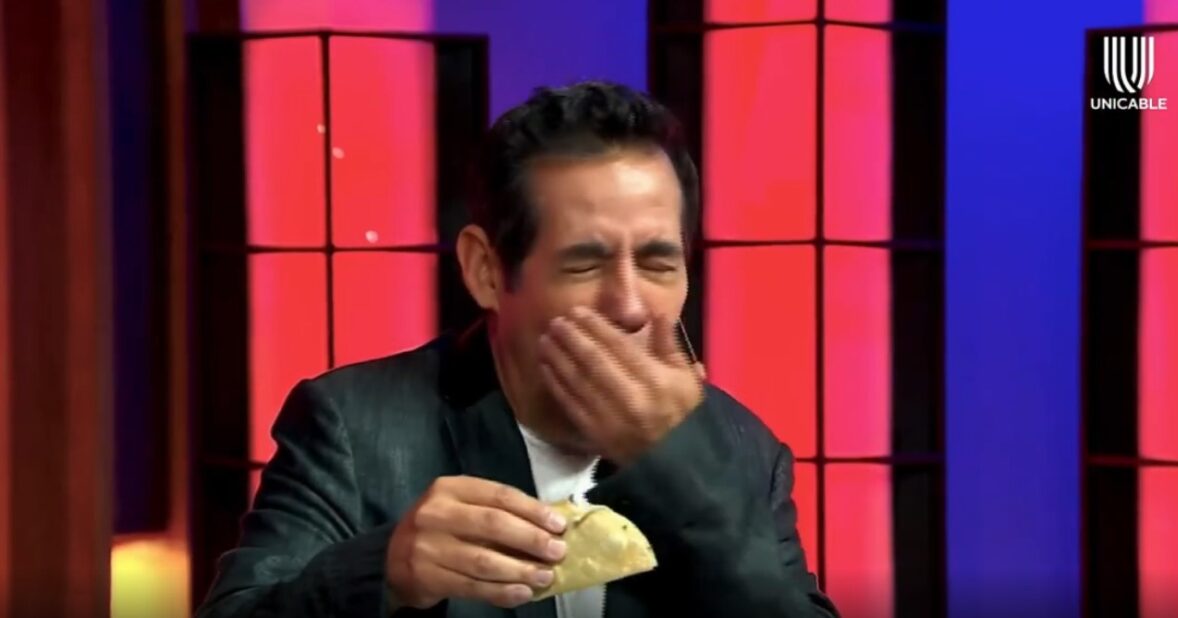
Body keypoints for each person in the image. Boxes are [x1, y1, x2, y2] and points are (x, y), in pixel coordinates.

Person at [197, 81, 838, 618]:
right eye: (584, 265)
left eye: (657, 264)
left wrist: (683, 475)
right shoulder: (355, 427)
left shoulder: (744, 451)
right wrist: (384, 570)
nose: (631, 306)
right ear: (485, 271)